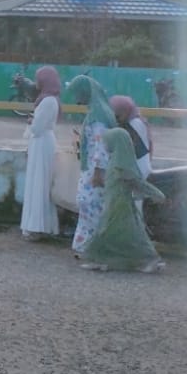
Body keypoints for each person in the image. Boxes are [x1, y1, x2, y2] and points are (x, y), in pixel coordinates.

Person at [80, 128, 167, 273]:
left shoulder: (122, 164)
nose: (106, 145)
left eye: (108, 142)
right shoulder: (116, 159)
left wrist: (157, 194)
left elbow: (137, 183)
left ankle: (150, 260)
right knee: (116, 235)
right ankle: (101, 260)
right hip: (113, 203)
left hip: (120, 206)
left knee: (124, 235)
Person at [67, 76, 115, 255]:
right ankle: (85, 248)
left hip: (96, 171)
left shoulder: (98, 117)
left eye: (77, 93)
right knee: (89, 207)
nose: (76, 98)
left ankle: (94, 250)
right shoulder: (99, 111)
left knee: (90, 206)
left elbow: (100, 146)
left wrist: (98, 172)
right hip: (93, 169)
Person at [20, 67, 62, 240]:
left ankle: (36, 227)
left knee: (38, 184)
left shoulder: (47, 101)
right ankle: (39, 226)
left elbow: (37, 128)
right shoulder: (50, 100)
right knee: (41, 184)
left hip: (41, 143)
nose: (36, 83)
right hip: (43, 143)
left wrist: (31, 120)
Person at [111, 95, 152, 178]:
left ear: (126, 110)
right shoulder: (138, 120)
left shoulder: (134, 124)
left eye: (118, 116)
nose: (116, 119)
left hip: (137, 172)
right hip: (143, 168)